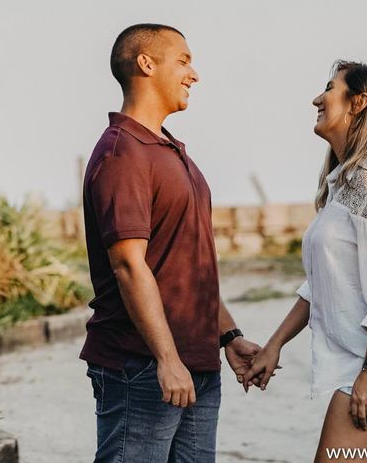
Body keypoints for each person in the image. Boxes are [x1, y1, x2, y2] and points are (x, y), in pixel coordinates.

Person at [244, 61, 367, 461]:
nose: (317, 98)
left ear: (359, 103)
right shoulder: (348, 184)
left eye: (329, 88)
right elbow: (322, 283)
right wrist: (274, 346)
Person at [81, 23, 261, 463]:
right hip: (142, 366)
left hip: (197, 365)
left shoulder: (172, 152)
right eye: (183, 60)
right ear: (146, 64)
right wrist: (166, 358)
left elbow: (189, 263)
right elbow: (128, 265)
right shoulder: (123, 153)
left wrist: (229, 335)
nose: (193, 74)